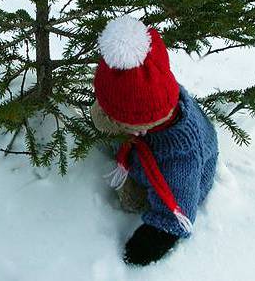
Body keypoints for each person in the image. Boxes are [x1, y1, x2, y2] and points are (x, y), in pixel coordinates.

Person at [91, 15, 219, 266]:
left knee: (134, 201)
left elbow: (179, 210)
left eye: (115, 117)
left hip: (181, 181)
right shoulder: (153, 91)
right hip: (140, 141)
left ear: (141, 122)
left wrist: (158, 235)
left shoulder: (180, 156)